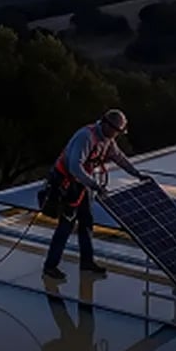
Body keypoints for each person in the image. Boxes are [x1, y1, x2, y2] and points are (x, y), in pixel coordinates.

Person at [41, 108, 150, 281]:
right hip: (67, 184)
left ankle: (87, 262)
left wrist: (137, 174)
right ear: (106, 124)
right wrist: (95, 185)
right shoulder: (86, 137)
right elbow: (74, 167)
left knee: (86, 222)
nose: (116, 135)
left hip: (82, 184)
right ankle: (50, 267)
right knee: (66, 226)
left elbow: (119, 157)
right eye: (115, 130)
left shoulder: (107, 139)